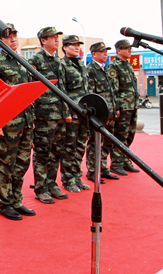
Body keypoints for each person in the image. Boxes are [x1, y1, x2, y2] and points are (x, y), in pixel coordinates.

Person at [0, 23, 36, 220]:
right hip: (8, 123)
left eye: (15, 35)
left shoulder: (23, 62)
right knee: (5, 164)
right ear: (0, 39)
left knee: (22, 163)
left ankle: (17, 200)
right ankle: (5, 203)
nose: (13, 39)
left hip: (26, 120)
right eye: (8, 36)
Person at [29, 27, 70, 204]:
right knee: (42, 152)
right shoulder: (35, 60)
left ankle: (52, 183)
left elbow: (63, 88)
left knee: (56, 151)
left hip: (59, 113)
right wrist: (33, 116)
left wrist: (66, 111)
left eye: (57, 37)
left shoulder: (59, 61)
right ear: (43, 41)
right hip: (44, 115)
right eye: (52, 37)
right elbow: (31, 89)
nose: (56, 40)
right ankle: (40, 188)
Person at [85, 42, 119, 183]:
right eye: (102, 52)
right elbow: (91, 95)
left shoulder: (106, 69)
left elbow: (112, 91)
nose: (106, 54)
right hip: (99, 114)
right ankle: (93, 171)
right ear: (94, 54)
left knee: (108, 142)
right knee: (95, 143)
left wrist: (115, 108)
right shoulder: (90, 70)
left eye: (106, 51)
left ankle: (103, 168)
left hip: (109, 112)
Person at [60, 35, 91, 192]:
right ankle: (68, 179)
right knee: (69, 147)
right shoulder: (62, 65)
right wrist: (67, 112)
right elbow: (62, 90)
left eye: (78, 45)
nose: (77, 47)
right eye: (73, 45)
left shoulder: (81, 65)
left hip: (83, 113)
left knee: (80, 146)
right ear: (65, 47)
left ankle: (77, 176)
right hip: (72, 112)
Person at [108, 39, 140, 176]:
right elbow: (113, 89)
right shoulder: (113, 66)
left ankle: (126, 160)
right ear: (118, 50)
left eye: (130, 48)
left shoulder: (128, 65)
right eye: (126, 48)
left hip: (132, 105)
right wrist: (116, 107)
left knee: (130, 135)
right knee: (120, 135)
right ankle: (116, 163)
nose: (129, 50)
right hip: (123, 106)